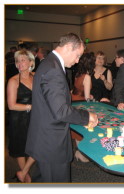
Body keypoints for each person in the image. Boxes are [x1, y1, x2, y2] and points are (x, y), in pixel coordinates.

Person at [25, 33, 98, 183]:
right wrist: (87, 116)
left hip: (45, 139)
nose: (78, 61)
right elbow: (60, 111)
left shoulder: (49, 63)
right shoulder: (52, 69)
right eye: (77, 55)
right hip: (51, 144)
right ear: (69, 47)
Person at [7, 49, 35, 183]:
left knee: (38, 144)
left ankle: (22, 172)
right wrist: (30, 107)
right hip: (19, 119)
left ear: (31, 62)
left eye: (23, 60)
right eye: (17, 61)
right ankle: (26, 176)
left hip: (34, 118)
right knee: (20, 148)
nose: (19, 63)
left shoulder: (35, 76)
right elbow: (11, 105)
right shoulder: (13, 81)